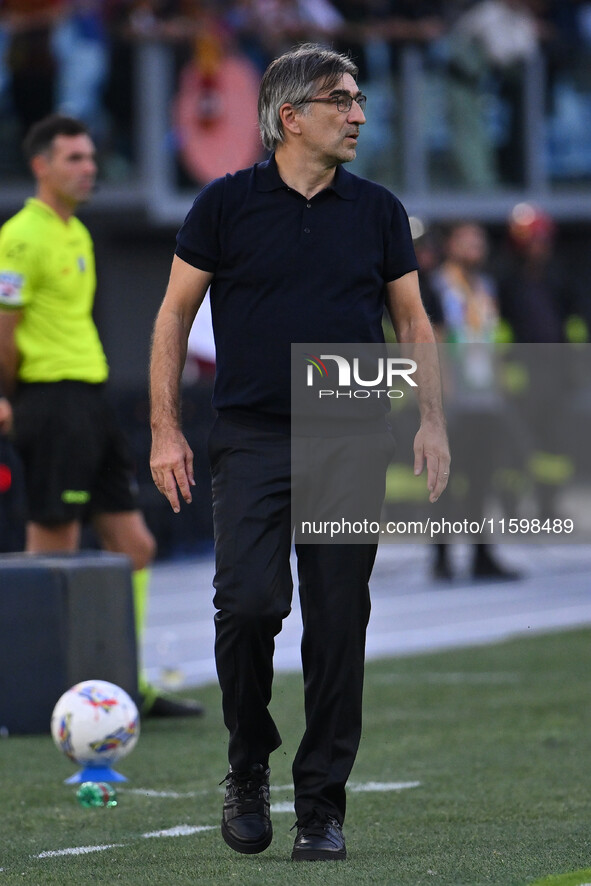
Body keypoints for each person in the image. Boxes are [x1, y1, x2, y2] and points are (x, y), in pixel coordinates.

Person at [150, 43, 449, 861]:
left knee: (337, 621)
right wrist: (164, 428)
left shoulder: (379, 210)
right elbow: (174, 317)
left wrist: (429, 420)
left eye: (358, 100)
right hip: (248, 432)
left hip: (349, 424)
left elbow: (413, 323)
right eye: (341, 100)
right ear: (291, 116)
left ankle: (321, 808)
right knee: (248, 605)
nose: (358, 114)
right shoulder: (223, 205)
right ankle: (247, 763)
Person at [0, 113, 203, 719]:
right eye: (74, 159)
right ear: (41, 166)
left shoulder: (78, 234)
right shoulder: (20, 236)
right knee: (52, 547)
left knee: (134, 544)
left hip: (89, 400)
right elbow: (4, 331)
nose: (89, 169)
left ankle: (124, 683)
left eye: (91, 158)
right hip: (48, 400)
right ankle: (31, 692)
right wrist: (7, 395)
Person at [429, 220, 521, 580]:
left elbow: (491, 336)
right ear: (451, 244)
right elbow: (433, 337)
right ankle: (442, 557)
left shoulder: (486, 287)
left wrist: (500, 386)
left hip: (485, 397)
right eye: (467, 241)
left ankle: (482, 554)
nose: (475, 249)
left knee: (483, 477)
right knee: (446, 480)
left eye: (479, 242)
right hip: (455, 398)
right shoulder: (438, 285)